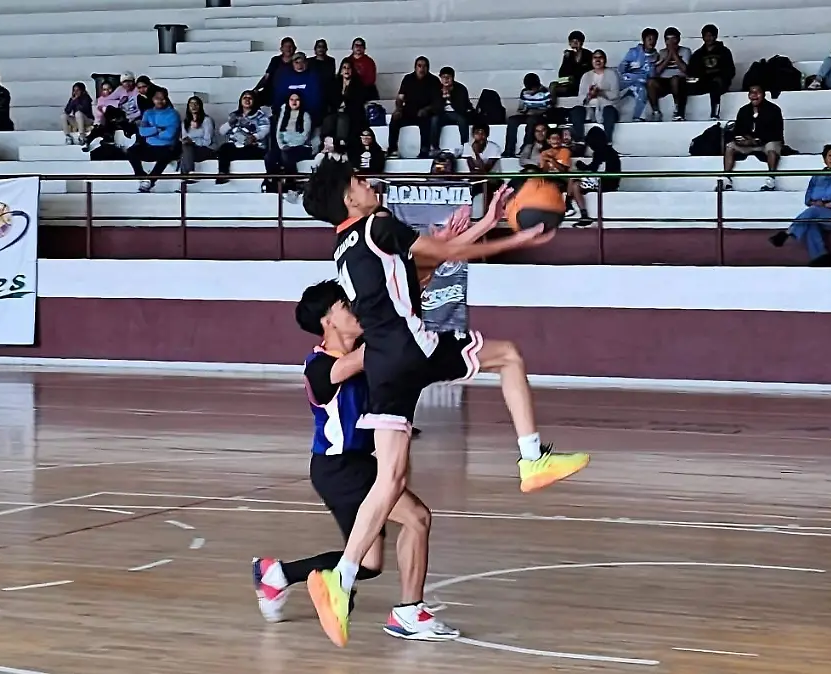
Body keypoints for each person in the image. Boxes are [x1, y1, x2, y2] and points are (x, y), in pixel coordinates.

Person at [300, 159, 591, 647]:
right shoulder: (379, 223)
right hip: (412, 348)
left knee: (389, 480)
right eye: (359, 181)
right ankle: (531, 458)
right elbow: (447, 251)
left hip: (383, 366)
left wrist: (482, 223)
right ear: (350, 199)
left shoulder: (343, 250)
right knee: (509, 357)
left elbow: (424, 267)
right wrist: (514, 239)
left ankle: (343, 578)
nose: (369, 184)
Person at [252, 278, 459, 640]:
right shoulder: (319, 368)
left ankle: (277, 574)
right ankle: (409, 613)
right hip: (338, 468)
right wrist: (391, 320)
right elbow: (364, 356)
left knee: (369, 564)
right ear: (327, 322)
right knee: (417, 519)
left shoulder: (366, 347)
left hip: (361, 464)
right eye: (346, 306)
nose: (355, 309)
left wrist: (419, 277)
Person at [769, 144, 831, 266]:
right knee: (810, 224)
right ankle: (821, 258)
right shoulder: (817, 176)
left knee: (812, 212)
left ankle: (787, 233)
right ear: (824, 159)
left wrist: (823, 204)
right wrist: (816, 203)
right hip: (818, 212)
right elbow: (808, 198)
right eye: (830, 156)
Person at [720, 84, 783, 192]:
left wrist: (757, 140)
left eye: (757, 92)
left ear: (764, 94)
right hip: (748, 144)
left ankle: (771, 179)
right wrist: (743, 139)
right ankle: (726, 179)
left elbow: (777, 132)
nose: (754, 95)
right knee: (730, 146)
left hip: (765, 143)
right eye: (751, 93)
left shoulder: (774, 110)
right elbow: (738, 131)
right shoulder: (743, 110)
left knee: (772, 147)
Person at [126, 87, 181, 193]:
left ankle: (150, 181)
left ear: (166, 99)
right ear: (153, 99)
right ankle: (141, 176)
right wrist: (158, 129)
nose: (160, 101)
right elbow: (142, 132)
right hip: (149, 146)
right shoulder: (148, 113)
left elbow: (169, 135)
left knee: (165, 156)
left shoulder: (173, 114)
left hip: (166, 146)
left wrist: (151, 132)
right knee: (131, 151)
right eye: (157, 98)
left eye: (162, 98)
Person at [568, 126, 621, 227]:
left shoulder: (602, 152)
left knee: (575, 182)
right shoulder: (608, 151)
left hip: (606, 183)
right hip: (605, 181)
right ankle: (573, 208)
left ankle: (572, 207)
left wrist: (582, 167)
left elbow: (593, 170)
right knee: (574, 179)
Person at [686, 24, 736, 121]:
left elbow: (730, 70)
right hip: (703, 81)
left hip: (719, 82)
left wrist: (722, 78)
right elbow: (691, 71)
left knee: (715, 84)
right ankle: (680, 114)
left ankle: (715, 113)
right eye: (706, 36)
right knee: (682, 84)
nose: (708, 38)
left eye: (711, 35)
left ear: (715, 36)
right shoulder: (698, 54)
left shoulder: (724, 51)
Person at [569, 50, 620, 144]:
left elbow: (615, 94)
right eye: (595, 58)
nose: (597, 60)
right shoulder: (586, 75)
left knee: (609, 111)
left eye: (600, 58)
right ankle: (579, 140)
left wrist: (600, 92)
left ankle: (607, 140)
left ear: (604, 60)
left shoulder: (612, 74)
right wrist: (590, 95)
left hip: (606, 107)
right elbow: (580, 97)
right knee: (576, 111)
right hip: (589, 108)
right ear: (591, 61)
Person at [646, 27, 692, 121]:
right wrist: (668, 56)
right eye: (668, 39)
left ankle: (677, 108)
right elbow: (657, 71)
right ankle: (656, 111)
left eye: (673, 39)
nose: (670, 42)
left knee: (675, 79)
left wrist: (674, 54)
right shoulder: (662, 52)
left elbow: (685, 70)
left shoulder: (685, 51)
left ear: (678, 39)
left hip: (680, 81)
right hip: (664, 81)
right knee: (650, 82)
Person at [178, 95, 217, 180]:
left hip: (207, 149)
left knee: (185, 151)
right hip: (191, 150)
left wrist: (193, 141)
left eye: (196, 104)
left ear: (200, 106)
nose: (193, 106)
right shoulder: (185, 122)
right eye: (191, 104)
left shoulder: (207, 120)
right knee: (185, 148)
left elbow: (208, 141)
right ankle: (188, 175)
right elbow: (185, 138)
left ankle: (185, 178)